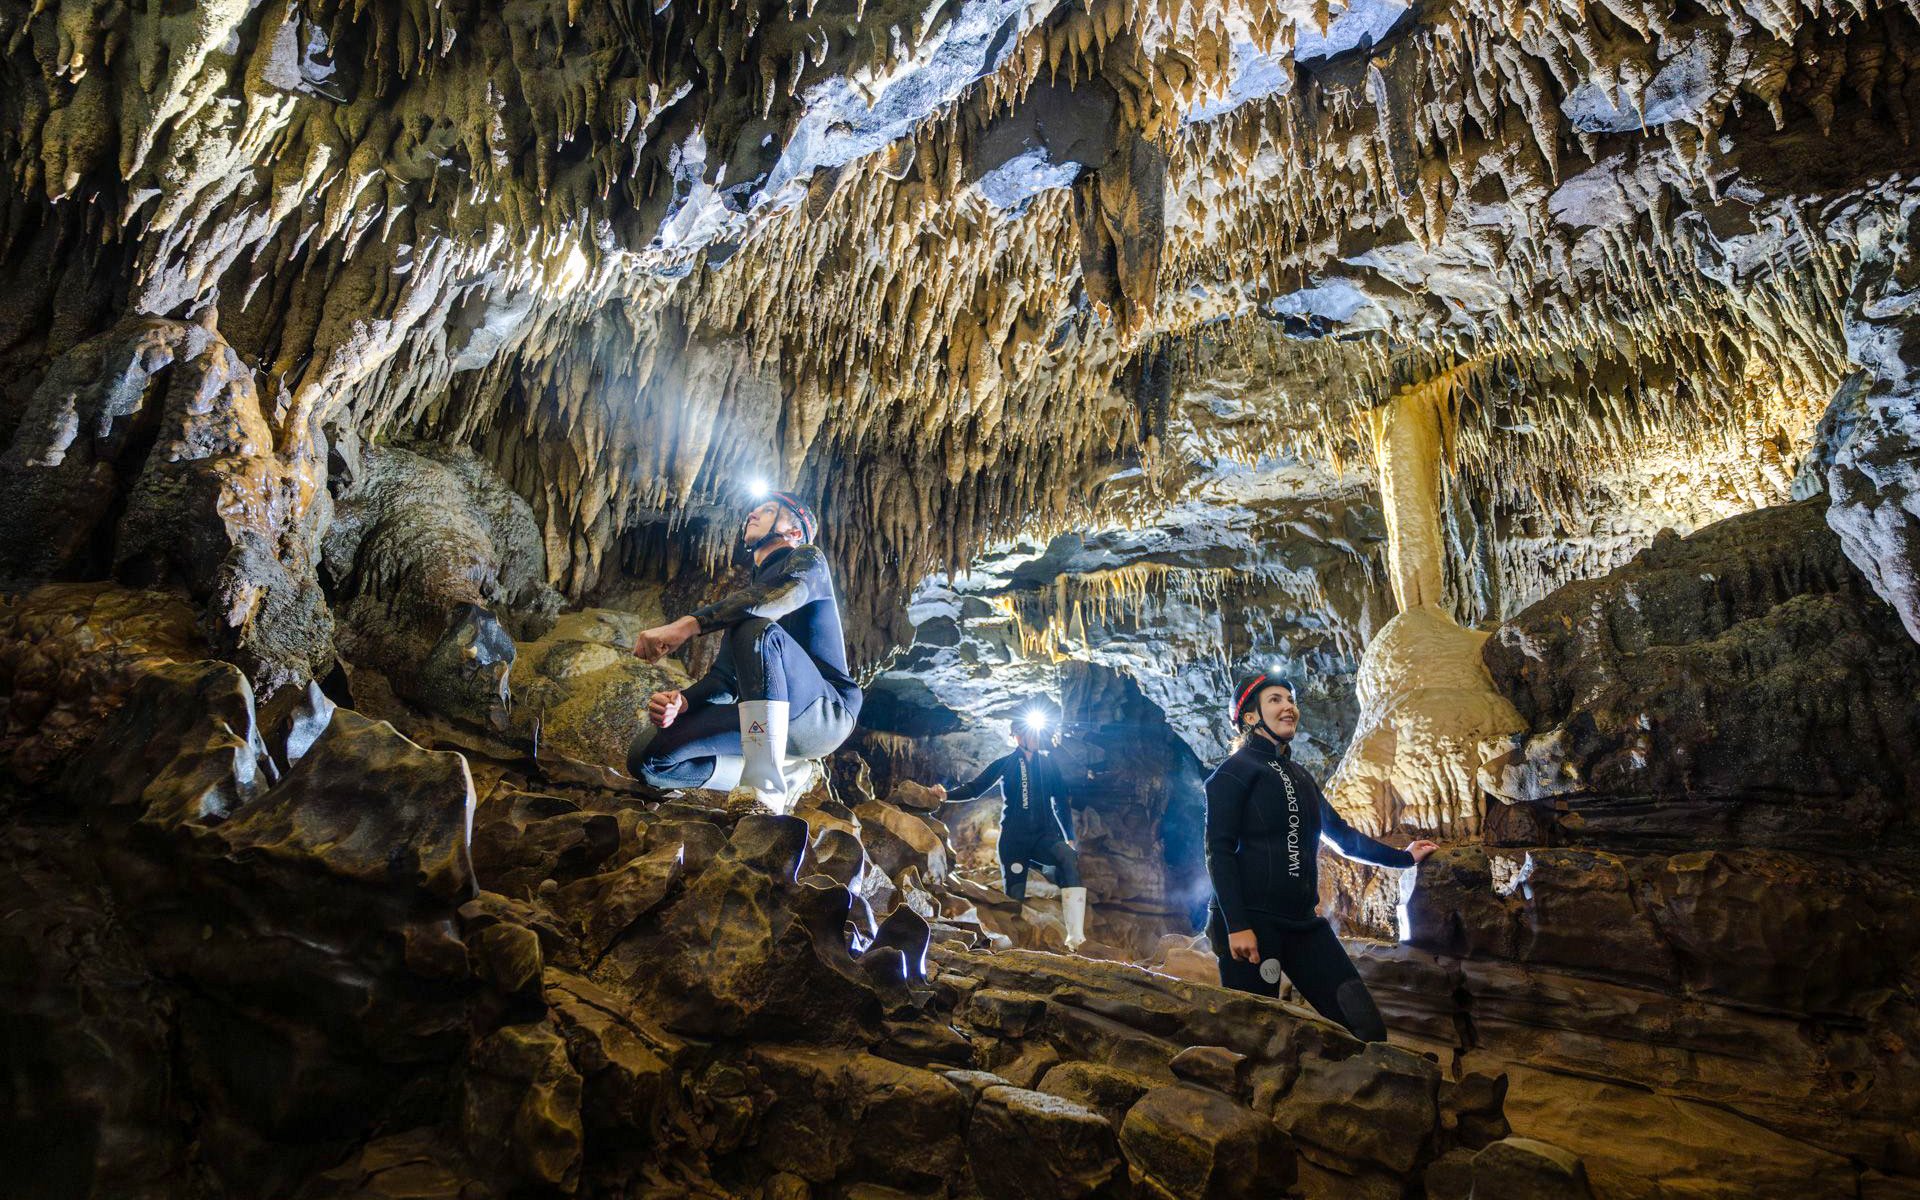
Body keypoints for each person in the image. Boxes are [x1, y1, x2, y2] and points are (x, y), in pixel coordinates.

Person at [1204, 671, 1438, 1041]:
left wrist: (1403, 858)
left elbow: (1342, 836)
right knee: (1251, 1035)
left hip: (1302, 925)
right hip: (1253, 925)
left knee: (1366, 1028)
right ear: (1250, 717)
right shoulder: (1233, 773)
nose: (1288, 707)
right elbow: (1218, 851)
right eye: (1275, 700)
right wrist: (1237, 924)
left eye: (1290, 700)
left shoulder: (1300, 775)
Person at [626, 488, 862, 811]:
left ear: (794, 532)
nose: (752, 514)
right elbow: (724, 682)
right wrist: (683, 702)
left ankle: (764, 788)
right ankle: (785, 772)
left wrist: (686, 626)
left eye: (766, 511)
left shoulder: (809, 561)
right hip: (769, 720)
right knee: (648, 757)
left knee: (756, 627)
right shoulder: (750, 604)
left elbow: (784, 596)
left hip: (824, 714)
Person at [932, 706, 1090, 952]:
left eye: (1037, 733)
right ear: (1016, 735)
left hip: (1043, 837)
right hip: (1014, 841)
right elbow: (975, 788)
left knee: (1068, 857)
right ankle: (1012, 950)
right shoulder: (1006, 764)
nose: (1035, 738)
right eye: (1029, 733)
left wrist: (1069, 836)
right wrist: (945, 796)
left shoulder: (1049, 765)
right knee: (1013, 899)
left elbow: (1060, 801)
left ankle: (1075, 938)